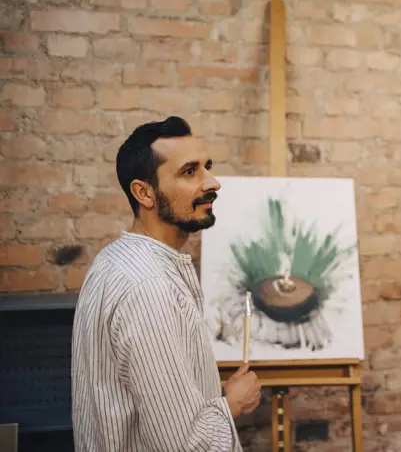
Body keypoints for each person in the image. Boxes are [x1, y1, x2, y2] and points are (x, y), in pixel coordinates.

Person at [71, 116, 261, 452]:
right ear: (144, 193)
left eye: (207, 167)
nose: (213, 182)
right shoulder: (148, 287)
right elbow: (182, 443)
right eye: (190, 172)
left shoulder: (114, 259)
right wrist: (232, 403)